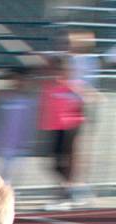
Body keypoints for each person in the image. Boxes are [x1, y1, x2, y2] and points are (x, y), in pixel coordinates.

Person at [39, 54, 95, 210]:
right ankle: (75, 189)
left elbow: (87, 98)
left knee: (67, 161)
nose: (55, 72)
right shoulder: (49, 86)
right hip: (55, 128)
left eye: (58, 69)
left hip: (71, 127)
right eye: (53, 69)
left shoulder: (73, 85)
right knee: (54, 164)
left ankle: (68, 193)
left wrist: (83, 98)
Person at [0, 63, 37, 188]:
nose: (19, 82)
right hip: (2, 143)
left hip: (19, 145)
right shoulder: (6, 96)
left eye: (22, 80)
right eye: (16, 79)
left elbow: (29, 123)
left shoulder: (29, 100)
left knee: (12, 179)